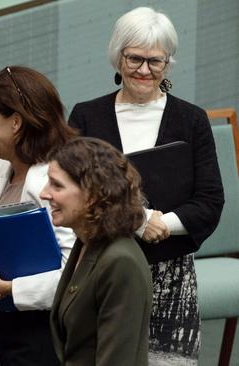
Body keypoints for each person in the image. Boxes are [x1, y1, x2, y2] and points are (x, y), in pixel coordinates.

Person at [67, 7, 224, 364]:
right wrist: (137, 221)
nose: (144, 70)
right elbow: (75, 195)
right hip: (101, 268)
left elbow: (211, 201)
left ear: (168, 64)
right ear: (117, 56)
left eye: (156, 61)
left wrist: (159, 225)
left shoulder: (192, 120)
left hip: (172, 276)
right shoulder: (86, 116)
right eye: (135, 58)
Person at [0, 66, 76, 366]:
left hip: (46, 337)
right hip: (8, 329)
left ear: (15, 122)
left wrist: (10, 288)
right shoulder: (4, 168)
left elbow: (74, 277)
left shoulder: (51, 183)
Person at [41, 137, 153, 365]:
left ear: (91, 195)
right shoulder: (86, 242)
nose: (44, 193)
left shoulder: (120, 262)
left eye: (57, 185)